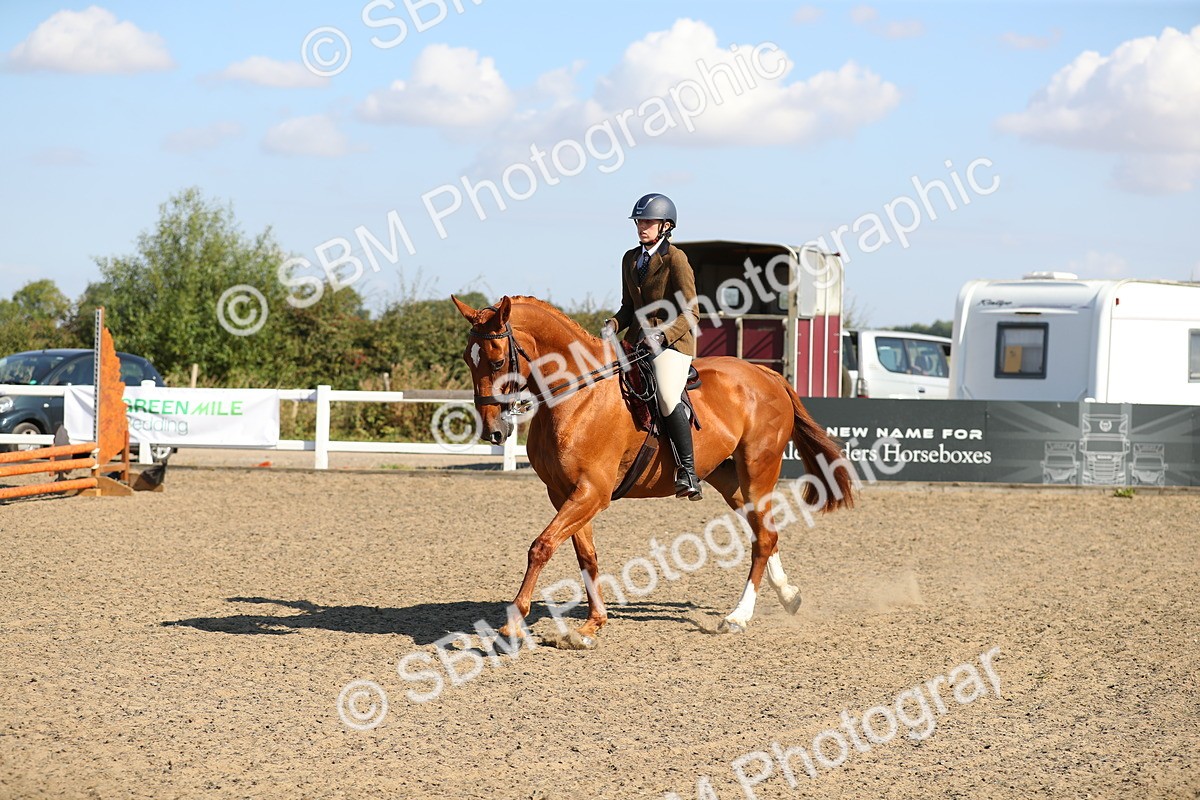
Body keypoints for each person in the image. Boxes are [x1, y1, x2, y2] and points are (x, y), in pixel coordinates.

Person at [600, 193, 702, 500]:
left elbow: (691, 311)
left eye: (648, 222)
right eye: (639, 222)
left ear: (666, 226)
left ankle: (687, 471)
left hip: (672, 343)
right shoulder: (630, 259)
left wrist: (663, 336)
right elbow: (628, 307)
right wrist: (614, 325)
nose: (642, 227)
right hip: (637, 341)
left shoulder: (676, 259)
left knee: (668, 396)